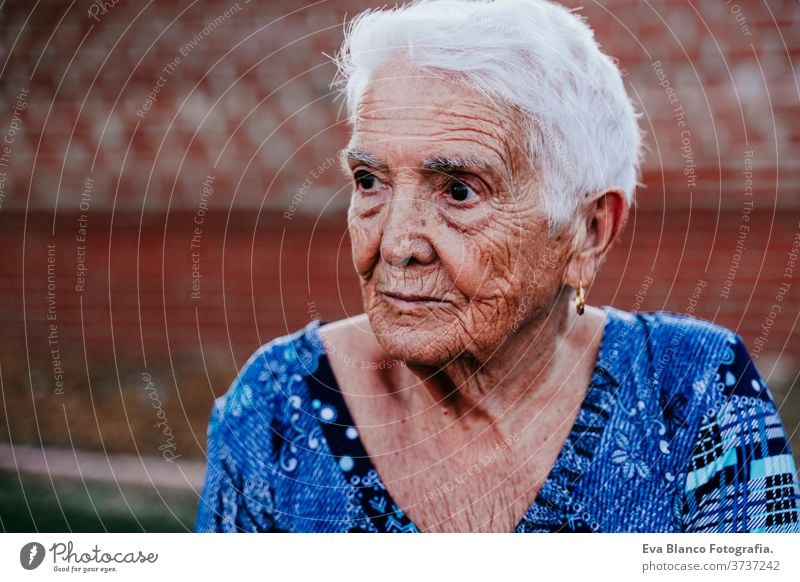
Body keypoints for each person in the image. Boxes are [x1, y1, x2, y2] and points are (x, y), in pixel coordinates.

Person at [195, 0, 799, 532]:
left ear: (588, 232)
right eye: (370, 180)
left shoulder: (692, 393)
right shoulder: (280, 406)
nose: (397, 244)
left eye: (458, 190)